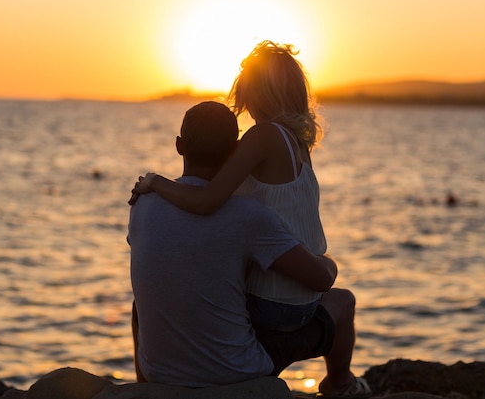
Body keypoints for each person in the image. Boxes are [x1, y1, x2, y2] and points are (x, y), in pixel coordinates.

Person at [128, 101, 370, 397]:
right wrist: (327, 262)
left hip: (161, 373)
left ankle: (145, 388)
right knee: (343, 302)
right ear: (234, 152)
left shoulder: (143, 203)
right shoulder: (247, 215)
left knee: (143, 300)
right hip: (233, 372)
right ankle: (340, 385)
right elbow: (320, 280)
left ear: (180, 146)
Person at [131, 40, 326, 332]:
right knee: (343, 303)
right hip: (307, 299)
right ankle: (340, 380)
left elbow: (206, 201)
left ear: (256, 91)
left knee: (152, 304)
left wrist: (155, 182)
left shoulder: (263, 136)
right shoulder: (298, 143)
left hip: (268, 302)